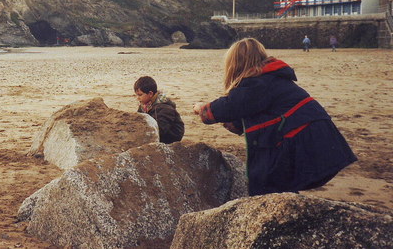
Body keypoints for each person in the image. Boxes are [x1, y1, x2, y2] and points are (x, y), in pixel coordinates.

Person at [192, 38, 356, 196]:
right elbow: (255, 113)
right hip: (313, 134)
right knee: (280, 183)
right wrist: (232, 124)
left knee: (265, 182)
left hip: (302, 136)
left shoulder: (257, 84)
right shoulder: (270, 79)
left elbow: (230, 106)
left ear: (235, 65)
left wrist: (203, 109)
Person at [134, 76, 184, 144]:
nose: (138, 98)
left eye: (140, 95)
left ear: (150, 94)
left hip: (170, 138)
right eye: (136, 95)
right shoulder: (144, 104)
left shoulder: (165, 108)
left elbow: (160, 130)